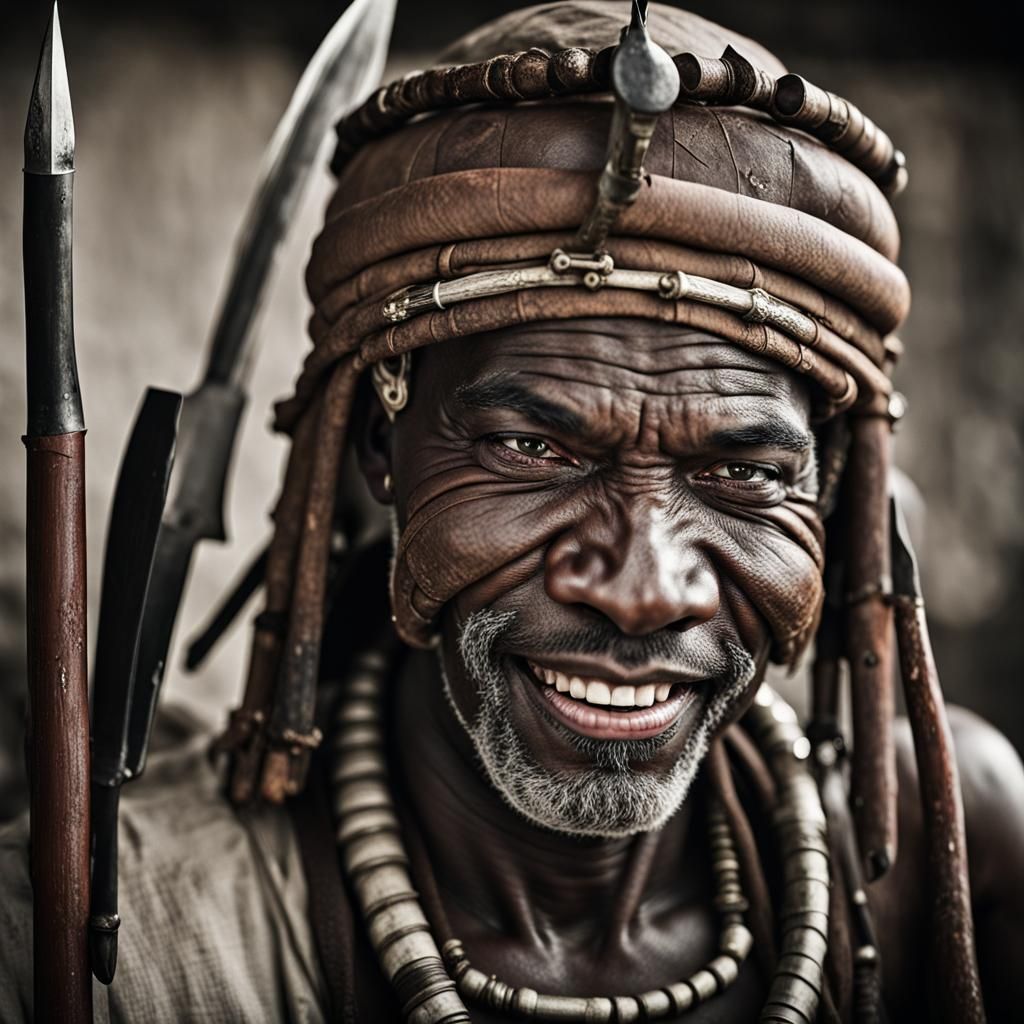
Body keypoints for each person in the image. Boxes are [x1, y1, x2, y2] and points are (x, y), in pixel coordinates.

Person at [2, 3, 1022, 1021]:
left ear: (828, 488)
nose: (642, 591)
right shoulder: (103, 943)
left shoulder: (948, 861)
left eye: (743, 473)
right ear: (379, 445)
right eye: (535, 451)